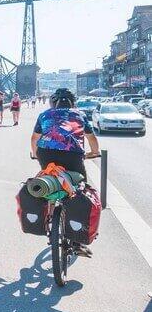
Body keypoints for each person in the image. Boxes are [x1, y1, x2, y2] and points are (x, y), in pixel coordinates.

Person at [30, 88, 100, 257]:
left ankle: (49, 212)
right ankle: (76, 243)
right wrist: (94, 152)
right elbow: (91, 138)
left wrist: (35, 154)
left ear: (53, 103)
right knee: (80, 190)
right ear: (72, 102)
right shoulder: (79, 115)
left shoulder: (45, 115)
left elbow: (34, 139)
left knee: (50, 179)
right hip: (73, 156)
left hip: (46, 155)